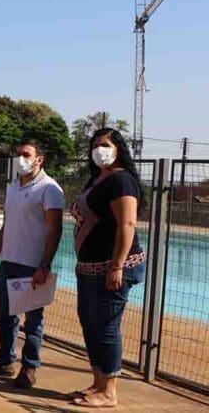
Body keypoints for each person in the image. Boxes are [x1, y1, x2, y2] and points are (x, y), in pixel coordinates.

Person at [0, 139, 64, 389]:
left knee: (33, 320)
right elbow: (8, 225)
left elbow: (54, 230)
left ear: (39, 159)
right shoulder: (13, 187)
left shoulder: (49, 189)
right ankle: (5, 361)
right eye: (18, 154)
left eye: (26, 154)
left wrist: (44, 265)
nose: (20, 158)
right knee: (5, 317)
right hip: (9, 262)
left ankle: (29, 366)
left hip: (32, 265)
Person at [68, 129, 146, 408]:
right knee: (90, 323)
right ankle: (98, 382)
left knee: (106, 327)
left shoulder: (122, 181)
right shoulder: (97, 179)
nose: (99, 149)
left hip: (112, 268)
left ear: (118, 148)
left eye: (105, 145)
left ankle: (109, 391)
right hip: (89, 267)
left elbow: (127, 225)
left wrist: (116, 266)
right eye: (95, 145)